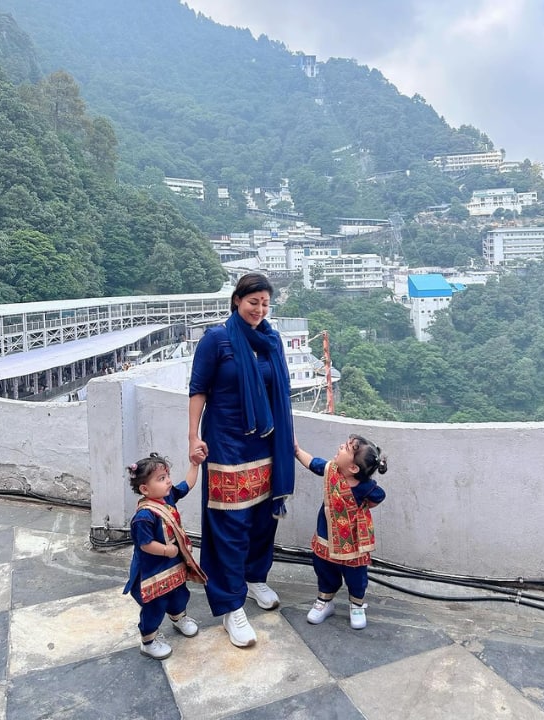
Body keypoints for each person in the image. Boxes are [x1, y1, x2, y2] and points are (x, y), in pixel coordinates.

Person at [188, 273, 295, 648]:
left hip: (266, 445)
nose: (259, 309)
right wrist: (193, 436)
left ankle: (254, 577)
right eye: (253, 302)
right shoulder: (217, 339)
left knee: (263, 520)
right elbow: (198, 390)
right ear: (237, 300)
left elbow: (280, 392)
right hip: (227, 444)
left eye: (266, 303)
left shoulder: (271, 340)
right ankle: (231, 604)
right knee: (230, 525)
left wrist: (287, 440)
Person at [294, 434, 388, 629]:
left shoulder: (366, 487)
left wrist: (360, 510)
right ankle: (325, 600)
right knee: (324, 567)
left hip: (352, 540)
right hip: (326, 535)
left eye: (345, 448)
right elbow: (312, 463)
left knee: (355, 572)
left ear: (354, 468)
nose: (340, 447)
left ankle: (356, 605)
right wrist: (296, 450)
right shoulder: (331, 471)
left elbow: (379, 497)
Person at [123, 452, 208, 659]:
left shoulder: (167, 497)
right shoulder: (144, 516)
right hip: (153, 570)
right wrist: (165, 550)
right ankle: (149, 641)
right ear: (145, 489)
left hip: (174, 564)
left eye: (167, 475)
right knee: (155, 605)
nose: (168, 481)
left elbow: (187, 485)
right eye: (161, 479)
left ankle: (179, 617)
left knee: (179, 593)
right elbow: (144, 544)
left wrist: (195, 465)